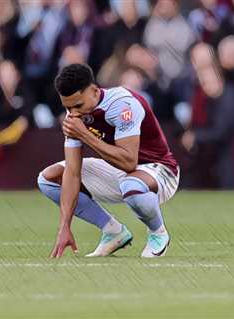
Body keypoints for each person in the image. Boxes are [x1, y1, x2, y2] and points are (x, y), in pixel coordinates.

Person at [37, 64, 179, 258]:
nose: (73, 113)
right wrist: (64, 227)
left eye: (78, 105)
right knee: (48, 179)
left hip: (159, 171)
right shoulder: (75, 117)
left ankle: (158, 232)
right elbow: (72, 171)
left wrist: (85, 135)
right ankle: (113, 231)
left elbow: (129, 161)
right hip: (121, 172)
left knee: (131, 184)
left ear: (94, 92)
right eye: (67, 107)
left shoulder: (122, 105)